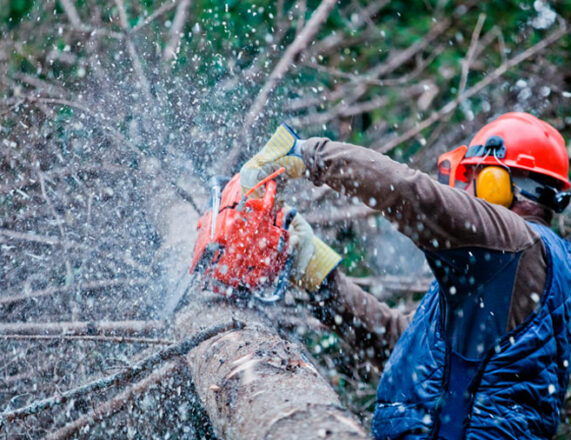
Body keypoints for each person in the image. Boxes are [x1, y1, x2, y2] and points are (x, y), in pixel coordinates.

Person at [240, 112, 571, 439]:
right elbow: (406, 347)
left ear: (496, 184)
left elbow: (413, 195)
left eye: (473, 177)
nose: (465, 190)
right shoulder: (519, 265)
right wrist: (320, 277)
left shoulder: (512, 243)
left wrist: (307, 154)